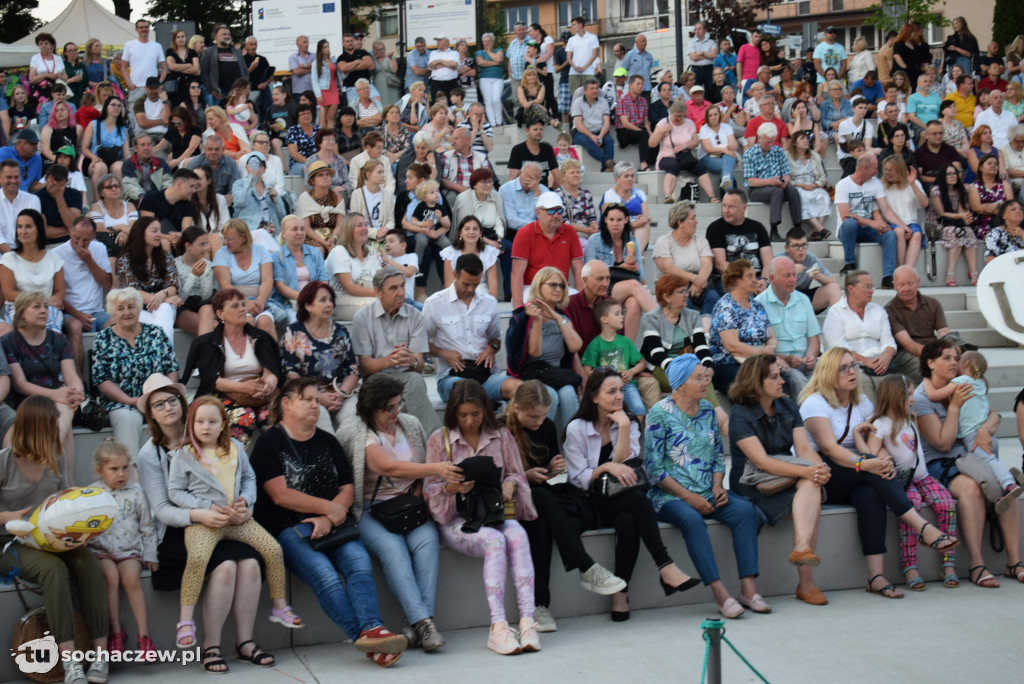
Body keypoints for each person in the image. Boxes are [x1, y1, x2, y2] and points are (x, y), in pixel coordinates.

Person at [250, 377, 409, 667]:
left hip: (335, 526)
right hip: (289, 529)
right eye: (307, 399)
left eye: (316, 399)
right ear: (286, 404)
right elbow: (280, 495)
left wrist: (327, 517)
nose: (315, 405)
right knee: (326, 577)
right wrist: (328, 510)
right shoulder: (268, 443)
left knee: (358, 565)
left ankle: (372, 630)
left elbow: (347, 488)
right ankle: (370, 638)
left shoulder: (327, 440)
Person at [800, 346, 959, 599]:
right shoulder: (814, 403)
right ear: (829, 372)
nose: (853, 372)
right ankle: (924, 528)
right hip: (825, 474)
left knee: (871, 495)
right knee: (873, 473)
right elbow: (830, 448)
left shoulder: (860, 401)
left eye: (854, 366)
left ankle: (876, 576)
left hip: (858, 471)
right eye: (845, 368)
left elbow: (874, 438)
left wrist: (881, 459)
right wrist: (867, 464)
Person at [563, 368, 700, 622]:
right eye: (611, 391)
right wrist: (604, 467)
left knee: (628, 521)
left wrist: (624, 427)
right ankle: (665, 565)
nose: (618, 397)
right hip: (589, 502)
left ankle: (621, 594)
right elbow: (578, 479)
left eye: (621, 391)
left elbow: (626, 464)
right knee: (637, 501)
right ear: (594, 396)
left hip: (620, 498)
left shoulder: (628, 422)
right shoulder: (576, 428)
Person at [167, 394, 302, 645]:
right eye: (199, 422)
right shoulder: (184, 455)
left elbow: (250, 479)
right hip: (205, 523)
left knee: (273, 549)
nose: (205, 427)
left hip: (237, 519)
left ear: (223, 424)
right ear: (191, 425)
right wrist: (205, 507)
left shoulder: (236, 448)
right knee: (197, 558)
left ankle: (280, 605)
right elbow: (175, 492)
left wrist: (245, 501)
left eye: (211, 421)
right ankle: (185, 620)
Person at [422, 380, 539, 654]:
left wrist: (510, 484)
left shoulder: (501, 435)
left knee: (519, 535)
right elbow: (430, 491)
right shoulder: (439, 439)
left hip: (492, 512)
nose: (470, 420)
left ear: (485, 410)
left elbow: (516, 473)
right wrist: (451, 488)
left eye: (476, 414)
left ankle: (527, 621)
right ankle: (498, 627)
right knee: (494, 542)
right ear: (453, 413)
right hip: (457, 519)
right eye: (463, 415)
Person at [333, 373, 448, 651]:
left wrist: (420, 489)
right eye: (389, 408)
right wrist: (436, 469)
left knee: (428, 543)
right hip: (373, 510)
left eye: (399, 405)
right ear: (371, 407)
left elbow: (420, 461)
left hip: (409, 504)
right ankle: (425, 624)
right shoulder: (356, 432)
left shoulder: (411, 424)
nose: (397, 413)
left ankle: (418, 624)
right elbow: (388, 467)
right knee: (394, 552)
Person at [647, 354, 768, 617]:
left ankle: (748, 590)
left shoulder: (706, 411)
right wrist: (689, 498)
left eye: (706, 377)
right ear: (680, 384)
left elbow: (715, 455)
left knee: (745, 512)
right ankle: (720, 593)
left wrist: (717, 485)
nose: (706, 382)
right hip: (670, 496)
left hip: (707, 490)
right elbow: (655, 470)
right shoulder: (659, 414)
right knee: (692, 520)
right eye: (698, 378)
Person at [0, 396, 110, 683]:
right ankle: (70, 662)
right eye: (52, 425)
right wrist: (8, 516)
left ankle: (101, 656)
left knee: (88, 563)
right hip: (9, 542)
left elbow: (65, 500)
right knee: (53, 570)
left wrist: (80, 530)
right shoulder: (4, 462)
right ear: (34, 427)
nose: (57, 430)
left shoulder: (55, 453)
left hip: (51, 538)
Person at [914, 338, 1024, 588]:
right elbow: (942, 443)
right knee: (971, 488)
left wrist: (984, 429)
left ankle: (1014, 562)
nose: (954, 362)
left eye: (956, 357)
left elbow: (993, 414)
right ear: (930, 363)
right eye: (946, 358)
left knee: (1010, 485)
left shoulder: (965, 384)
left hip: (974, 457)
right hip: (942, 462)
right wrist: (954, 408)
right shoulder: (922, 397)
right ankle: (977, 564)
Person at [726, 354, 829, 605]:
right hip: (753, 484)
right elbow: (761, 461)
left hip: (786, 476)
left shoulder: (788, 406)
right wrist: (807, 471)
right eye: (774, 377)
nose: (782, 381)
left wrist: (819, 467)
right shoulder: (740, 415)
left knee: (812, 483)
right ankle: (806, 583)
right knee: (810, 489)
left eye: (780, 375)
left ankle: (802, 549)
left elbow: (804, 450)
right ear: (755, 381)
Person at [862, 376, 960, 589]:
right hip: (902, 480)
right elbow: (870, 453)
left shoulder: (910, 417)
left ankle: (948, 561)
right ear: (895, 396)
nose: (913, 398)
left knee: (946, 503)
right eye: (909, 394)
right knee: (912, 506)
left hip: (923, 476)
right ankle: (910, 565)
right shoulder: (881, 424)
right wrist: (881, 454)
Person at [921, 351, 1024, 512]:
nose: (954, 363)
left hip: (971, 434)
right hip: (978, 430)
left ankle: (1009, 483)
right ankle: (1008, 482)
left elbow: (933, 395)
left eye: (957, 359)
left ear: (966, 364)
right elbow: (993, 413)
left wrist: (926, 379)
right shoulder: (981, 383)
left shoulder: (961, 381)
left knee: (989, 461)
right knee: (987, 462)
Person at [181, 288, 281, 446]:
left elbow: (271, 370)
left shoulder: (261, 337)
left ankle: (274, 466)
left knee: (273, 420)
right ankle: (233, 465)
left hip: (260, 393)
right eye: (235, 306)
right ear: (220, 314)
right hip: (225, 393)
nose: (242, 309)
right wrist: (243, 388)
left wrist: (269, 385)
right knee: (244, 417)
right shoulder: (207, 342)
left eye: (243, 304)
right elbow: (211, 380)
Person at [2, 290, 84, 477]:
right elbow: (20, 384)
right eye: (37, 306)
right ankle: (64, 480)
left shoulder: (58, 339)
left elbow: (71, 376)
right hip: (25, 400)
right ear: (22, 312)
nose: (44, 311)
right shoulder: (9, 341)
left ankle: (51, 465)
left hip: (58, 398)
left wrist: (76, 393)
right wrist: (59, 394)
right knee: (65, 419)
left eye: (46, 307)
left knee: (65, 409)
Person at [87, 439, 158, 655]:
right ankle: (116, 632)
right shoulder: (92, 494)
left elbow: (147, 526)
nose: (121, 474)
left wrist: (151, 554)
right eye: (114, 469)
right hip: (102, 552)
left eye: (125, 468)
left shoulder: (136, 492)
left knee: (131, 579)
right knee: (111, 577)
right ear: (100, 470)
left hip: (130, 552)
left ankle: (144, 636)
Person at [351, 267, 440, 433]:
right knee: (389, 388)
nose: (401, 293)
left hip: (405, 376)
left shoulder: (416, 316)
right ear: (378, 292)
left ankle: (434, 440)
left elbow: (419, 365)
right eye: (393, 288)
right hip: (375, 378)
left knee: (415, 380)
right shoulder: (362, 317)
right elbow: (364, 366)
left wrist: (410, 360)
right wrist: (388, 361)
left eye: (402, 286)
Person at [92, 286, 179, 455]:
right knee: (127, 418)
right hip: (122, 401)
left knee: (173, 411)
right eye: (120, 308)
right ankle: (131, 476)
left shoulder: (156, 333)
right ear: (113, 312)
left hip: (157, 398)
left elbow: (172, 369)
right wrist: (130, 400)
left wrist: (162, 395)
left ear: (139, 309)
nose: (127, 312)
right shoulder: (103, 339)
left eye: (131, 307)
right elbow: (102, 379)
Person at [505, 267, 581, 433]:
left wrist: (558, 318)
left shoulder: (563, 316)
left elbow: (575, 346)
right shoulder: (524, 316)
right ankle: (543, 446)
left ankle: (572, 447)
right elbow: (535, 353)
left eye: (562, 286)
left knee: (568, 393)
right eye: (553, 285)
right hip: (531, 374)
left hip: (556, 373)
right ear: (539, 286)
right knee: (550, 396)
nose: (558, 289)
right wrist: (538, 320)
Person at [824, 269, 918, 400]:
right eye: (867, 287)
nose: (872, 291)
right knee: (862, 381)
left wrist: (885, 358)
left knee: (909, 372)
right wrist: (866, 361)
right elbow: (839, 347)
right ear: (851, 289)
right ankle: (871, 418)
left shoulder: (878, 310)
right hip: (851, 362)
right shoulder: (836, 312)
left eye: (872, 286)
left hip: (880, 359)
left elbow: (888, 341)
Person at [835, 154, 905, 289]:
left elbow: (886, 210)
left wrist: (902, 226)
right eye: (875, 168)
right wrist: (872, 223)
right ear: (865, 168)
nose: (877, 171)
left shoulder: (875, 183)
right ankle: (850, 263)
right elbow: (845, 216)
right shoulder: (843, 185)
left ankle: (887, 277)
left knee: (890, 234)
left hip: (867, 229)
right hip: (848, 230)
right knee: (850, 223)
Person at [755, 256, 821, 397]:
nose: (793, 280)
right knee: (798, 380)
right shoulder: (759, 304)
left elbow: (814, 339)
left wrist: (811, 355)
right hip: (782, 364)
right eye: (787, 276)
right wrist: (786, 358)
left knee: (833, 372)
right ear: (772, 279)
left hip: (807, 361)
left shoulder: (803, 299)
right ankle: (810, 417)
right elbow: (760, 349)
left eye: (794, 275)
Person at [708, 259, 777, 393]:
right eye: (749, 276)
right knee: (758, 386)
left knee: (782, 382)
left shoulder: (757, 305)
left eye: (755, 275)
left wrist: (771, 347)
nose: (756, 280)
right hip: (728, 363)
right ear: (735, 281)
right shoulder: (726, 307)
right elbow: (732, 346)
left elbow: (772, 337)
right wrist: (761, 354)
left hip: (758, 361)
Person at [55, 216, 113, 372]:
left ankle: (113, 376)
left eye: (86, 240)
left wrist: (89, 260)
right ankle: (78, 379)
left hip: (97, 311)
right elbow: (57, 294)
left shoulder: (99, 248)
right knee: (74, 327)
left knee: (118, 323)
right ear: (69, 232)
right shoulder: (56, 254)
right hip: (70, 312)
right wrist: (77, 314)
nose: (80, 244)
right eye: (76, 238)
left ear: (93, 238)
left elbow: (107, 283)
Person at [213, 219, 287, 339]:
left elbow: (267, 280)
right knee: (247, 322)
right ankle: (249, 357)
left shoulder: (261, 251)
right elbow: (225, 284)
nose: (226, 243)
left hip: (260, 301)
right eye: (224, 239)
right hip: (233, 301)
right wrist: (245, 302)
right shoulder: (221, 254)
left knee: (265, 322)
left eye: (230, 239)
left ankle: (273, 357)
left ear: (243, 238)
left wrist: (260, 301)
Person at [114, 216, 181, 345]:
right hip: (137, 308)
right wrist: (165, 299)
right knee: (164, 312)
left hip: (162, 306)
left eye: (160, 231)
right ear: (141, 233)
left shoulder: (166, 257)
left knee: (165, 309)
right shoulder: (125, 260)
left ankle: (162, 355)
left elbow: (173, 286)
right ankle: (166, 356)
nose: (159, 235)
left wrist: (162, 295)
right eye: (154, 231)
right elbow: (133, 292)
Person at [510, 192, 583, 308]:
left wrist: (582, 303)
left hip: (560, 287)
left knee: (576, 303)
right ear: (538, 212)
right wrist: (518, 308)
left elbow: (579, 270)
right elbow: (517, 274)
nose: (556, 215)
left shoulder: (570, 232)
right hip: (533, 288)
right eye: (550, 211)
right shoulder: (524, 233)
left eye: (559, 211)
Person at [584, 203, 657, 315]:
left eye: (619, 219)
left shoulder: (632, 241)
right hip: (601, 287)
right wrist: (618, 268)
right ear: (605, 220)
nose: (615, 223)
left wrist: (634, 268)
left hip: (626, 288)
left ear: (626, 220)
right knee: (633, 284)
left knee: (634, 304)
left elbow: (641, 275)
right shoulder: (594, 240)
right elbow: (588, 273)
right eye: (611, 219)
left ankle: (625, 334)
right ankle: (662, 320)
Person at [1, 209, 65, 332]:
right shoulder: (9, 258)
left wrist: (46, 303)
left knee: (51, 329)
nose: (23, 231)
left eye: (28, 226)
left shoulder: (54, 258)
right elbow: (9, 294)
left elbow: (60, 292)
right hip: (18, 308)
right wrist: (39, 300)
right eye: (19, 227)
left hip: (46, 307)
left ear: (39, 229)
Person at [742, 123, 801, 242]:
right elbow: (751, 181)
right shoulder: (749, 154)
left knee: (793, 191)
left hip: (777, 186)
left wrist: (784, 182)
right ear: (760, 138)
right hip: (757, 190)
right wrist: (770, 182)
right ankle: (774, 231)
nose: (770, 144)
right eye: (768, 142)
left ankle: (798, 228)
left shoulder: (778, 151)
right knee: (776, 192)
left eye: (772, 141)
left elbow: (786, 173)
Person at [650, 100, 716, 206]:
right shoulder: (664, 122)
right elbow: (651, 143)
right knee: (673, 165)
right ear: (671, 113)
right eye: (676, 116)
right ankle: (668, 196)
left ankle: (712, 196)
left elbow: (695, 141)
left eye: (681, 116)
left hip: (685, 156)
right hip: (667, 156)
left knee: (700, 167)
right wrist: (662, 131)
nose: (678, 118)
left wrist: (684, 146)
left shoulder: (689, 123)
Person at [926, 164, 978, 287]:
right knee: (955, 233)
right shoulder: (936, 190)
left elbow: (961, 212)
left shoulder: (959, 190)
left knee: (969, 232)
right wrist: (960, 217)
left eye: (954, 173)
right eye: (949, 174)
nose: (953, 176)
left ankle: (974, 273)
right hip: (935, 225)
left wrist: (966, 218)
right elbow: (941, 213)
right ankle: (950, 273)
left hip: (955, 224)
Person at [706, 189, 773, 282]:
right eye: (724, 206)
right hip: (731, 279)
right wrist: (747, 281)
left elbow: (768, 261)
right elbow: (720, 264)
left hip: (758, 278)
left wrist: (764, 280)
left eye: (731, 207)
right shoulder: (715, 228)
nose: (726, 210)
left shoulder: (758, 227)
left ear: (744, 208)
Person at [880, 155, 928, 270]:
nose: (887, 172)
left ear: (899, 170)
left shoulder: (912, 183)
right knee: (899, 231)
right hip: (892, 222)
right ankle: (900, 269)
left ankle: (907, 270)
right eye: (886, 169)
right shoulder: (881, 185)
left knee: (916, 235)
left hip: (912, 222)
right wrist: (904, 226)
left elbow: (925, 203)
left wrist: (913, 184)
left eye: (890, 170)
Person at [785, 130, 831, 240]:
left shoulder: (815, 156)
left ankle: (817, 231)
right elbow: (786, 178)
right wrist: (802, 186)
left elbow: (822, 177)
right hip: (797, 186)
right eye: (802, 139)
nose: (806, 141)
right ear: (794, 143)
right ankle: (821, 229)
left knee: (824, 195)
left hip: (813, 185)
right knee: (802, 196)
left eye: (806, 138)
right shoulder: (786, 155)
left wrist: (815, 184)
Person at [82, 97, 131, 197]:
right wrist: (93, 157)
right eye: (113, 105)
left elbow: (126, 153)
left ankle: (120, 200)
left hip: (114, 160)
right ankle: (97, 201)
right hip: (94, 159)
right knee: (100, 167)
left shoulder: (123, 129)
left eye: (119, 106)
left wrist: (133, 166)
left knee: (120, 167)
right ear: (106, 107)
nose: (116, 108)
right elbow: (84, 148)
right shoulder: (94, 124)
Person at [599, 162, 653, 251]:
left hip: (637, 232)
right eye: (626, 176)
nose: (630, 179)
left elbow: (648, 217)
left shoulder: (640, 193)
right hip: (616, 230)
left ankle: (635, 254)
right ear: (617, 179)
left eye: (632, 176)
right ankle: (637, 256)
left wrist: (644, 219)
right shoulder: (609, 195)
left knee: (645, 226)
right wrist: (633, 224)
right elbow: (608, 221)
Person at [440, 217, 499, 295]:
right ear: (460, 233)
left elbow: (493, 283)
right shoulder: (450, 253)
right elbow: (449, 284)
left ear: (480, 233)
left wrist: (491, 305)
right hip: (458, 293)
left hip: (481, 293)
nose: (471, 232)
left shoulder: (488, 252)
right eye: (467, 229)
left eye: (475, 229)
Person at [299, 160, 345, 257]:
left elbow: (339, 224)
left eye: (327, 174)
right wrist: (323, 243)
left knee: (339, 250)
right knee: (318, 250)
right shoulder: (306, 198)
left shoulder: (337, 197)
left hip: (333, 236)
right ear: (312, 180)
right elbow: (306, 228)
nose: (325, 177)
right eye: (320, 175)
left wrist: (333, 238)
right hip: (312, 238)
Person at [118, 19, 166, 109]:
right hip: (136, 87)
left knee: (153, 114)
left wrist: (159, 83)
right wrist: (129, 83)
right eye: (141, 27)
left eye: (146, 27)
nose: (144, 29)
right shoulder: (129, 45)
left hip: (152, 88)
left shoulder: (157, 46)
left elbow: (164, 68)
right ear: (136, 29)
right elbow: (123, 66)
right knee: (134, 115)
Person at [968, 153, 1013, 244]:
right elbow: (977, 208)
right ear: (980, 167)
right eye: (989, 163)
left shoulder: (1004, 184)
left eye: (996, 164)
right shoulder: (974, 186)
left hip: (1003, 221)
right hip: (982, 224)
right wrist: (999, 205)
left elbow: (1011, 205)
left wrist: (988, 207)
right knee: (992, 237)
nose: (993, 165)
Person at [571, 79, 615, 172]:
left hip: (599, 131)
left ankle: (605, 168)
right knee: (587, 142)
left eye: (596, 88)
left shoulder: (603, 102)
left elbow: (606, 122)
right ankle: (607, 162)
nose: (595, 91)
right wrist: (591, 136)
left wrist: (600, 136)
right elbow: (578, 124)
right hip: (581, 132)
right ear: (585, 91)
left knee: (609, 141)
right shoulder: (577, 102)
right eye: (592, 89)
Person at [200, 24, 245, 107]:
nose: (227, 36)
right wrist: (211, 90)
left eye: (228, 34)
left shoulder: (237, 52)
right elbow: (204, 73)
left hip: (237, 93)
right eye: (224, 34)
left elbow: (244, 71)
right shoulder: (208, 52)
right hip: (219, 94)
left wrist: (243, 89)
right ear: (216, 37)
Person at [615, 75, 654, 171]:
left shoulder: (643, 101)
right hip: (624, 131)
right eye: (638, 84)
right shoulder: (623, 100)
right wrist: (643, 132)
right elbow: (625, 123)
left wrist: (651, 133)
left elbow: (645, 121)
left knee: (656, 135)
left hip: (638, 130)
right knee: (644, 135)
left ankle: (651, 162)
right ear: (630, 85)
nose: (641, 86)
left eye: (642, 84)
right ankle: (643, 164)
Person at [508, 118, 560, 189]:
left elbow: (556, 173)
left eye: (541, 129)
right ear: (527, 131)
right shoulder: (517, 150)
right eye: (535, 129)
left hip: (544, 191)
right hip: (525, 191)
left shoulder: (547, 148)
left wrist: (560, 192)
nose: (539, 132)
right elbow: (513, 176)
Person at [699, 106, 739, 200]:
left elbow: (733, 143)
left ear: (719, 115)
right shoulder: (704, 129)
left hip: (726, 155)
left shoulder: (727, 127)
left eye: (715, 114)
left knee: (729, 156)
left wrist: (733, 145)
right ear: (707, 117)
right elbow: (708, 149)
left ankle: (726, 185)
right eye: (710, 115)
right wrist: (724, 150)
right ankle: (730, 196)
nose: (713, 117)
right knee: (728, 168)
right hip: (708, 158)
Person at [915, 121, 962, 188]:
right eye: (934, 133)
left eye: (941, 133)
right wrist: (940, 180)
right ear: (926, 135)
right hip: (931, 185)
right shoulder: (919, 153)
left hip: (950, 184)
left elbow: (959, 171)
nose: (938, 136)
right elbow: (919, 176)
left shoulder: (950, 150)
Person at [286, 103, 320, 175]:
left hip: (318, 162)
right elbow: (294, 154)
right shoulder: (293, 130)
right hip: (298, 164)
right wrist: (310, 162)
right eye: (302, 114)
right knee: (310, 169)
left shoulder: (319, 130)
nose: (306, 116)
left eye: (308, 113)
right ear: (298, 117)